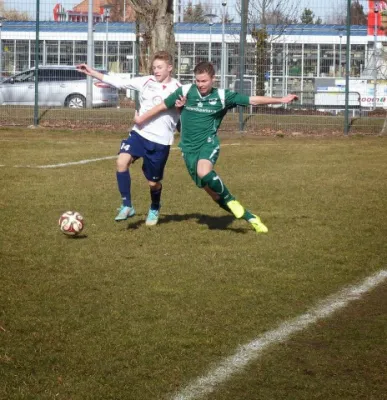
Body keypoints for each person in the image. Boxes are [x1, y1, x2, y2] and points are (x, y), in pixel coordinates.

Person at [134, 61, 298, 233]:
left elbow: (252, 100)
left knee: (204, 172)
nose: (200, 84)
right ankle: (251, 218)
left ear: (213, 79)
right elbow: (162, 106)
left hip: (208, 143)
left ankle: (232, 200)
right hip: (188, 149)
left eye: (204, 81)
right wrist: (143, 119)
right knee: (213, 194)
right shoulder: (185, 92)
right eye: (198, 81)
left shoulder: (222, 96)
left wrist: (281, 99)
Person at [77, 51, 181, 226]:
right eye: (154, 67)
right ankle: (127, 205)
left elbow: (181, 113)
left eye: (160, 67)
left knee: (153, 183)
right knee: (121, 162)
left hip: (160, 141)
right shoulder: (146, 81)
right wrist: (93, 72)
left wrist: (180, 111)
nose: (156, 70)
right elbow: (119, 82)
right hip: (139, 133)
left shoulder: (178, 89)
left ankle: (155, 206)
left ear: (169, 68)